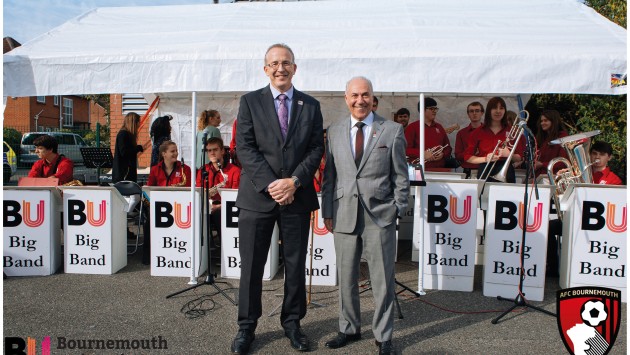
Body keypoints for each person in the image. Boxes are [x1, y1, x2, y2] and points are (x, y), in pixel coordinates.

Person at [232, 43, 324, 354]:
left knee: (296, 266)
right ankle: (247, 327)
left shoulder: (310, 106)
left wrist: (294, 181)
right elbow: (244, 147)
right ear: (265, 68)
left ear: (295, 68)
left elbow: (315, 149)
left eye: (286, 63)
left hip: (296, 198)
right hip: (258, 197)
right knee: (252, 267)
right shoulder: (249, 102)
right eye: (274, 63)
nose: (280, 68)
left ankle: (293, 323)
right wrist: (274, 184)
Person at [322, 77, 408, 355]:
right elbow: (329, 175)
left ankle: (383, 336)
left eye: (365, 95)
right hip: (344, 213)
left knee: (382, 278)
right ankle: (349, 328)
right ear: (346, 99)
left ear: (373, 98)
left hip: (380, 216)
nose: (360, 100)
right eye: (355, 95)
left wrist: (398, 207)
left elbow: (401, 176)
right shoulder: (334, 131)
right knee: (346, 276)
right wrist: (327, 211)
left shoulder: (392, 130)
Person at [546, 140, 622, 277]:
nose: (597, 157)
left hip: (598, 224)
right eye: (594, 153)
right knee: (549, 227)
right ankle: (553, 268)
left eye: (602, 154)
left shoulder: (614, 180)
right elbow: (566, 197)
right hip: (577, 219)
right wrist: (561, 179)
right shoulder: (577, 174)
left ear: (609, 157)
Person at [145, 140, 191, 265]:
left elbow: (190, 190)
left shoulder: (185, 169)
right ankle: (148, 256)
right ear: (164, 154)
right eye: (172, 151)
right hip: (161, 207)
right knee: (148, 221)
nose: (176, 153)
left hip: (180, 207)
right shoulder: (155, 170)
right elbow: (149, 189)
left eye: (176, 151)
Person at [464, 97, 523, 183]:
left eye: (501, 108)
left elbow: (519, 158)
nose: (498, 111)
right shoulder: (478, 132)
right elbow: (468, 157)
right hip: (485, 169)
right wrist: (485, 159)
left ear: (505, 110)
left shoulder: (512, 131)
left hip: (506, 171)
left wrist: (510, 155)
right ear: (489, 110)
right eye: (494, 108)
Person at [196, 137, 240, 242]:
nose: (212, 153)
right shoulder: (203, 170)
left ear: (222, 151)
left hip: (225, 208)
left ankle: (224, 247)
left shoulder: (235, 171)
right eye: (209, 150)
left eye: (215, 150)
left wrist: (218, 206)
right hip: (206, 205)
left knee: (219, 215)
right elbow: (199, 191)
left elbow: (235, 197)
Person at [404, 97, 452, 169]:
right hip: (418, 170)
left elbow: (448, 147)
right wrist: (422, 154)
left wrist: (443, 154)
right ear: (422, 110)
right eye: (431, 109)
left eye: (435, 109)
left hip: (439, 169)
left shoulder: (439, 127)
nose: (434, 111)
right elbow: (405, 149)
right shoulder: (412, 127)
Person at [533, 110, 569, 177]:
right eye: (541, 121)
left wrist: (542, 164)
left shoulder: (562, 136)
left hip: (554, 177)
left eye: (546, 120)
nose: (542, 123)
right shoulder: (544, 139)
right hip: (541, 177)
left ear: (553, 121)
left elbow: (562, 162)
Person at [455, 102, 484, 178]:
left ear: (482, 113)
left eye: (477, 111)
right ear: (468, 114)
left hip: (485, 169)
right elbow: (457, 155)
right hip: (467, 171)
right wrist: (470, 152)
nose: (474, 113)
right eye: (471, 111)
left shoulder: (489, 132)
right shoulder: (461, 133)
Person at [112, 112, 144, 183]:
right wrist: (138, 148)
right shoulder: (123, 134)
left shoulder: (126, 134)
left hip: (127, 171)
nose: (139, 124)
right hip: (124, 172)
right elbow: (124, 152)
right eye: (138, 122)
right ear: (133, 123)